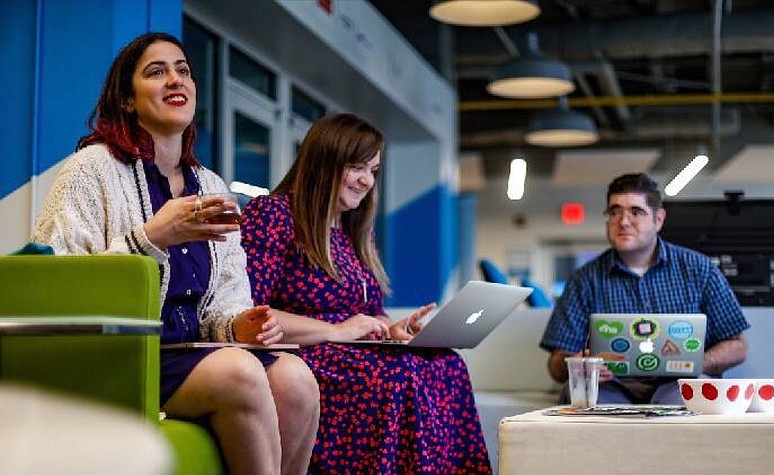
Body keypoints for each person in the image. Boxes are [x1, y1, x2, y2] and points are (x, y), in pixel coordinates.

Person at [32, 32, 319, 475]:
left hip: (191, 351)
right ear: (127, 100)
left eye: (182, 70)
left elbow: (227, 296)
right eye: (156, 71)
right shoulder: (90, 170)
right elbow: (61, 290)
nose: (174, 79)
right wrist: (150, 238)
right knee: (240, 372)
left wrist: (239, 324)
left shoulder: (212, 185)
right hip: (120, 357)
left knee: (297, 379)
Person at [240, 113, 491, 474]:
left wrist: (391, 329)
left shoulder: (352, 231)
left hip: (349, 353)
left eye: (372, 170)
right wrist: (336, 331)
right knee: (397, 377)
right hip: (301, 355)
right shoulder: (275, 214)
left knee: (447, 364)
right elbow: (248, 314)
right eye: (357, 167)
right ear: (325, 162)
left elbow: (370, 310)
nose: (366, 181)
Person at [540, 172, 750, 404]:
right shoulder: (584, 279)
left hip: (678, 383)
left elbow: (737, 346)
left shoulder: (699, 269)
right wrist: (579, 365)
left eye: (636, 211)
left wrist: (696, 362)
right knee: (587, 399)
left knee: (683, 402)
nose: (624, 221)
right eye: (614, 211)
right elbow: (556, 364)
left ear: (658, 219)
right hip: (611, 386)